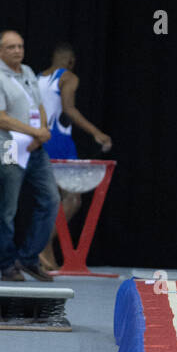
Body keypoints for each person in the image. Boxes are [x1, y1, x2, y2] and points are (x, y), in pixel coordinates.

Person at [0, 30, 60, 281]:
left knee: (51, 199)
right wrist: (36, 132)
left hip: (35, 148)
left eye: (20, 46)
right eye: (11, 47)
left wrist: (42, 132)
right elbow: (0, 119)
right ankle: (6, 265)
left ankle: (28, 258)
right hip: (10, 148)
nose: (17, 51)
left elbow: (40, 106)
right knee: (8, 210)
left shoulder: (27, 73)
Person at [36, 43, 112, 271]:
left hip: (39, 140)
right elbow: (69, 109)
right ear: (70, 62)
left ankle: (44, 250)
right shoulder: (68, 77)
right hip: (60, 142)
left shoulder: (37, 78)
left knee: (53, 201)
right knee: (73, 199)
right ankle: (42, 245)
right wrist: (96, 133)